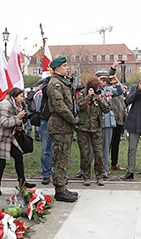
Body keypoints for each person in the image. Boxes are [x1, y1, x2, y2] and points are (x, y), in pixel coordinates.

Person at [46, 56, 79, 202]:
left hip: (65, 126)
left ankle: (63, 187)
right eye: (65, 65)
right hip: (60, 125)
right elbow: (60, 106)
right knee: (60, 158)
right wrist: (73, 119)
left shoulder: (63, 82)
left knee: (64, 158)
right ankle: (59, 190)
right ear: (57, 68)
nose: (67, 68)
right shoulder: (55, 84)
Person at [0, 87, 36, 196]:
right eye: (21, 96)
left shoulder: (15, 105)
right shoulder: (5, 105)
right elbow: (4, 123)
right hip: (0, 138)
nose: (23, 99)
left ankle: (23, 182)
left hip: (9, 138)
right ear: (14, 96)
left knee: (18, 156)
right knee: (1, 163)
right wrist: (18, 117)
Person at [76, 77, 111, 186]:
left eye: (97, 87)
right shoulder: (82, 93)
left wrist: (99, 98)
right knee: (85, 154)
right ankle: (86, 176)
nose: (96, 89)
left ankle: (99, 176)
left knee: (99, 153)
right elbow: (79, 106)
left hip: (96, 128)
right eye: (94, 87)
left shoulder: (100, 94)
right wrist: (88, 96)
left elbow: (107, 109)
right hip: (84, 128)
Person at [32, 78, 53, 185]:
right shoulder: (44, 91)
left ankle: (59, 173)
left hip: (58, 121)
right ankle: (46, 173)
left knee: (59, 150)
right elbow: (38, 108)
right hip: (46, 120)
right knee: (46, 149)